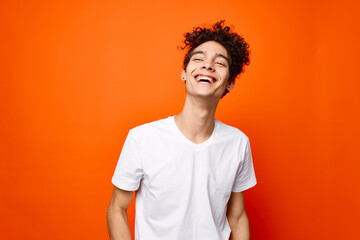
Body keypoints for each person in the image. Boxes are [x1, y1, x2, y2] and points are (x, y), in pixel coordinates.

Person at [107, 20, 257, 240]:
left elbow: (237, 217)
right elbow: (116, 209)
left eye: (220, 62)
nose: (208, 65)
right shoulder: (142, 138)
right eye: (199, 59)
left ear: (230, 82)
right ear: (184, 73)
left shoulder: (237, 143)